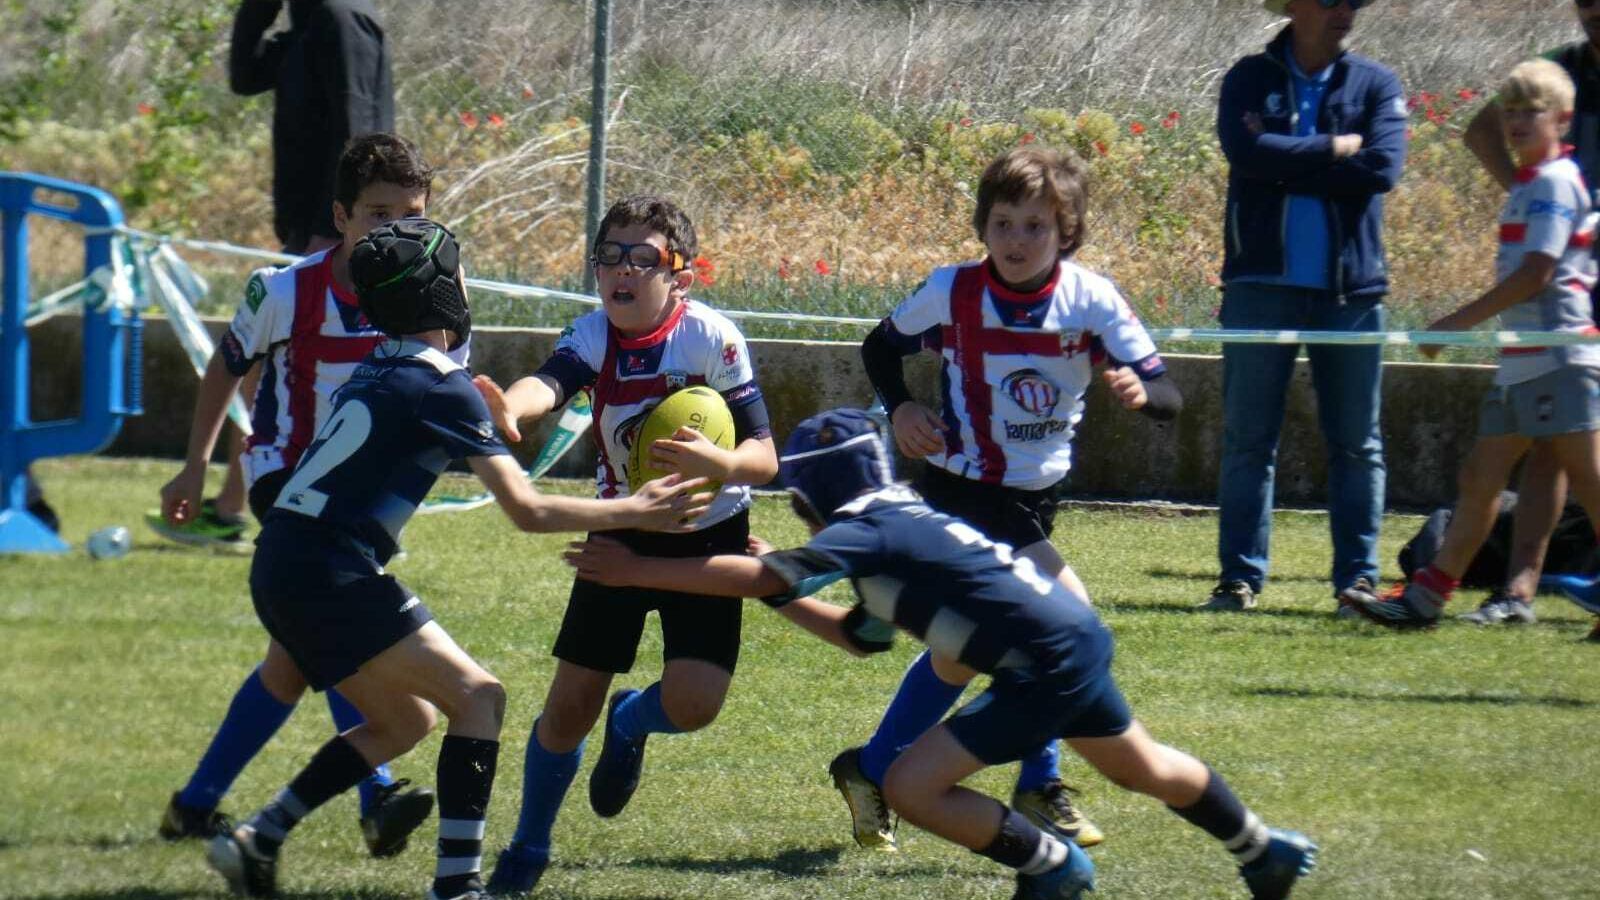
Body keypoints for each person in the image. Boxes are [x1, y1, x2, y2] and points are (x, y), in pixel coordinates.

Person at [564, 408, 1318, 900]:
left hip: (1040, 665)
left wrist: (638, 569)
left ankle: (1054, 870)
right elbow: (858, 638)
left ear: (816, 496)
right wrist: (787, 594)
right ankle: (1262, 849)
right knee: (1141, 766)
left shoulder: (866, 524)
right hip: (1071, 642)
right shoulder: (894, 525)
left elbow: (764, 572)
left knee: (911, 783)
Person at [205, 217, 709, 900]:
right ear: (442, 291)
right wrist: (635, 511)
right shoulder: (440, 383)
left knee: (406, 720)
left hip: (285, 562)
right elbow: (527, 510)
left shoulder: (383, 364)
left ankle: (257, 840)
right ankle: (458, 887)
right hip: (330, 571)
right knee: (480, 699)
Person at [839, 144, 1183, 852]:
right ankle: (1038, 780)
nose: (1017, 240)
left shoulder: (1091, 299)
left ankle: (871, 768)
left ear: (1067, 231)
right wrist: (901, 407)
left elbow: (1170, 393)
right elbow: (880, 347)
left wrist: (1142, 394)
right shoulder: (953, 290)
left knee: (960, 658)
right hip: (964, 492)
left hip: (1033, 500)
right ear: (983, 226)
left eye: (1035, 226)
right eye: (1003, 223)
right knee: (1065, 633)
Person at [479, 194, 780, 895]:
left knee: (696, 704)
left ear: (682, 275)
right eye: (609, 255)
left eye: (643, 258)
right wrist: (511, 408)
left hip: (710, 535)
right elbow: (549, 384)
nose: (623, 270)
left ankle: (633, 719)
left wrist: (722, 465)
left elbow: (765, 457)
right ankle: (528, 844)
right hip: (621, 529)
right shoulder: (592, 334)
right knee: (569, 704)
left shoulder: (712, 339)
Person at [156, 133, 438, 858]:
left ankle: (195, 805)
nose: (396, 230)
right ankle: (378, 796)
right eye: (379, 214)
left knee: (294, 660)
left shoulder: (430, 291)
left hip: (367, 496)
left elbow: (443, 391)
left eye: (412, 213)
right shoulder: (284, 290)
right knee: (340, 633)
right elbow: (224, 369)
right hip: (287, 481)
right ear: (341, 216)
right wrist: (193, 467)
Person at [1346, 59, 1600, 630]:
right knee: (1480, 479)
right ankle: (1425, 600)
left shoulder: (1556, 183)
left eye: (1530, 112)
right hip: (1524, 358)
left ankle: (1428, 598)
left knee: (1590, 482)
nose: (1515, 122)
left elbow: (1536, 274)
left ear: (1561, 119)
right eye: (1509, 111)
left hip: (1560, 355)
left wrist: (1453, 325)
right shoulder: (1530, 183)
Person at [152, 0, 397, 547]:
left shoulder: (339, 19)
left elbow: (360, 137)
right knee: (269, 367)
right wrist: (257, 10)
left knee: (275, 367)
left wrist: (331, 232)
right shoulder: (305, 29)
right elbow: (245, 77)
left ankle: (240, 502)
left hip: (331, 232)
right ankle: (234, 503)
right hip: (309, 226)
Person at [1206, 0, 1407, 614]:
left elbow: (1382, 168)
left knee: (1356, 443)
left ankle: (1358, 582)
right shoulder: (1248, 77)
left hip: (1351, 295)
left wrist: (1287, 162)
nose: (1344, 12)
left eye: (1354, 2)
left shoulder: (1377, 83)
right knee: (1247, 440)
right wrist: (1333, 147)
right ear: (1294, 6)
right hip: (1259, 286)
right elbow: (1245, 153)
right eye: (1331, 0)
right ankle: (1239, 580)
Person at [1454, 0, 1600, 629]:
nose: (1593, 11)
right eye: (1584, 0)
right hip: (1568, 283)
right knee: (1554, 447)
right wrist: (1530, 191)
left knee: (1578, 453)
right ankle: (1517, 590)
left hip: (1563, 286)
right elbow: (1479, 130)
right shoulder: (1556, 69)